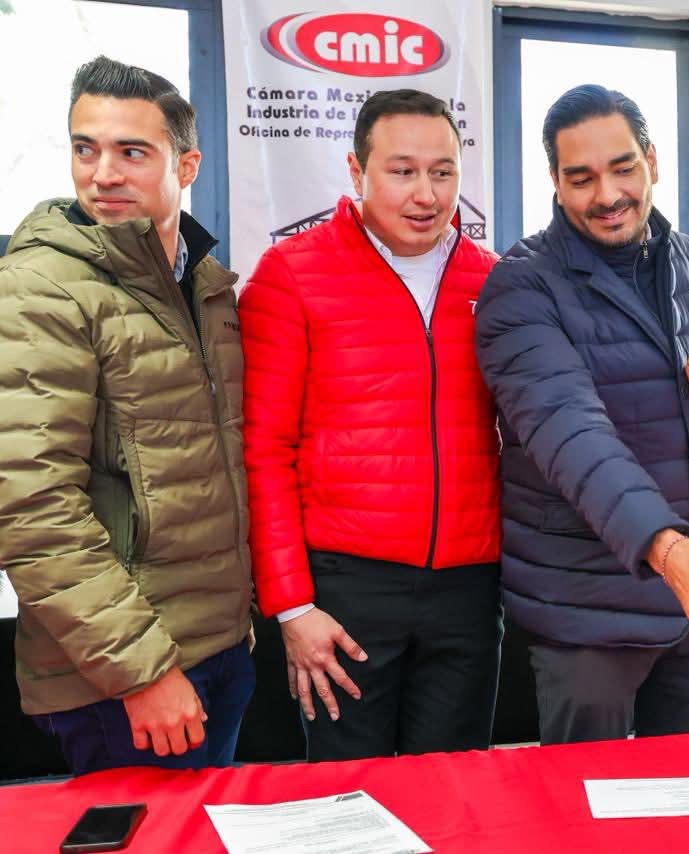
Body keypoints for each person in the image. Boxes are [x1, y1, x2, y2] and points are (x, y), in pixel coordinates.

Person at [475, 84, 689, 745]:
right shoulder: (520, 285)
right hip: (589, 615)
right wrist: (668, 551)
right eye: (581, 178)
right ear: (554, 182)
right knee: (584, 799)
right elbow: (571, 434)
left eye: (623, 168)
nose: (607, 195)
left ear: (652, 161)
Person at [0, 56, 253, 774]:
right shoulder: (41, 289)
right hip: (126, 681)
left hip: (217, 651)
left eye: (131, 152)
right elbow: (31, 507)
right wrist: (140, 673)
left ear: (187, 165)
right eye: (86, 149)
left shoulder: (202, 285)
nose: (102, 174)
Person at [239, 90, 502, 760]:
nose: (426, 194)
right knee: (351, 796)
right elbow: (263, 450)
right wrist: (293, 608)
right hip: (345, 590)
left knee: (454, 791)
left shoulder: (494, 280)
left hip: (468, 590)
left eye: (442, 172)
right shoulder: (292, 273)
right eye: (402, 171)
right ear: (357, 172)